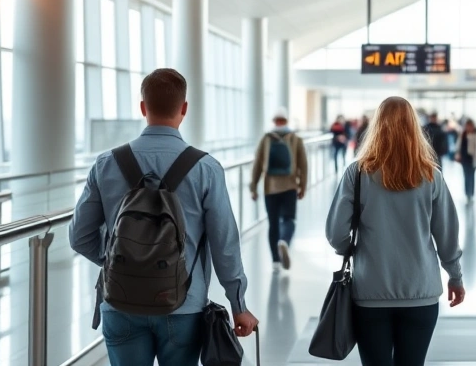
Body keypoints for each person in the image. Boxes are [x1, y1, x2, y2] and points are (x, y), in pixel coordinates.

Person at [69, 68, 258, 365]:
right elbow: (225, 244)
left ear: (143, 108)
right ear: (184, 109)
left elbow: (79, 236)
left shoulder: (106, 164)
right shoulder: (206, 168)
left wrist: (123, 262)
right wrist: (238, 305)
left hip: (119, 301)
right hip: (183, 305)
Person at [325, 96, 465, 366]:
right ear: (414, 127)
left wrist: (352, 251)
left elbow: (336, 233)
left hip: (370, 292)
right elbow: (447, 236)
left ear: (376, 127)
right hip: (421, 293)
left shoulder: (358, 173)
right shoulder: (430, 175)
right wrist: (455, 277)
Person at [250, 107, 308, 272]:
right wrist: (302, 185)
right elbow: (303, 165)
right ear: (286, 121)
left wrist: (253, 187)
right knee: (288, 219)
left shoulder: (266, 139)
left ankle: (275, 262)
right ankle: (284, 241)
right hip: (290, 186)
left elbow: (257, 164)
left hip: (270, 188)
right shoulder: (296, 139)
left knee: (273, 223)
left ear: (274, 121)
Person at [454, 119, 476, 204]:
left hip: (473, 159)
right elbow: (458, 145)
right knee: (466, 176)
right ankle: (467, 194)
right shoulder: (463, 134)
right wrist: (457, 154)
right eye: (467, 126)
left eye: (470, 126)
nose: (469, 127)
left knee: (472, 176)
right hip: (464, 159)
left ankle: (471, 193)